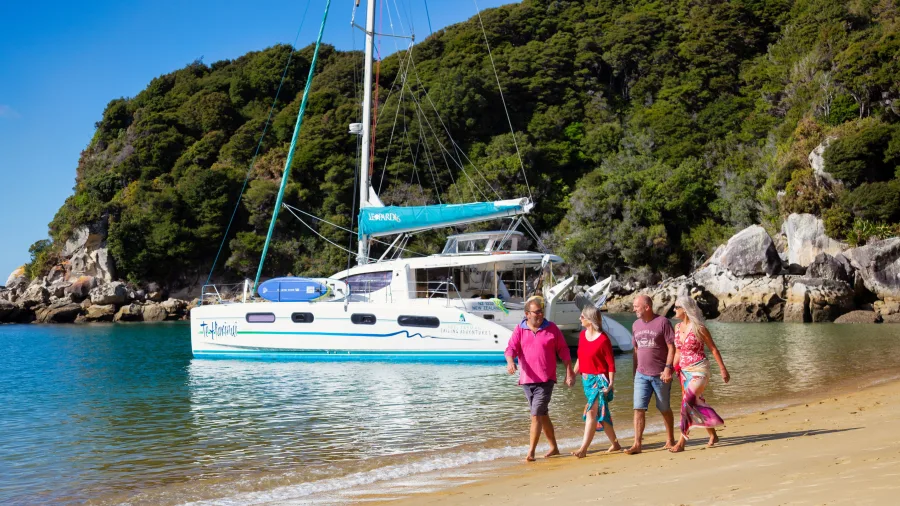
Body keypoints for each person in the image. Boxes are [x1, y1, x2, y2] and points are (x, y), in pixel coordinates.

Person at [505, 296, 575, 462]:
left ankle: (531, 452)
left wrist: (569, 371)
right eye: (537, 312)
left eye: (541, 311)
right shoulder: (520, 329)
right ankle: (554, 447)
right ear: (527, 314)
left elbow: (563, 350)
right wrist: (510, 362)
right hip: (527, 380)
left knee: (536, 414)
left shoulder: (551, 328)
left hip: (546, 379)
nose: (540, 314)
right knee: (542, 414)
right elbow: (510, 348)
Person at [669, 293, 730, 453]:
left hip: (700, 370)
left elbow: (713, 349)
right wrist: (669, 369)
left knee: (687, 402)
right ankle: (713, 434)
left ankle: (681, 441)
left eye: (676, 307)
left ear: (685, 309)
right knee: (696, 402)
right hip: (683, 372)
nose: (674, 309)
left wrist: (723, 369)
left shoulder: (699, 328)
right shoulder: (677, 328)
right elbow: (677, 352)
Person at [625, 294, 676, 455]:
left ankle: (670, 439)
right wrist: (634, 372)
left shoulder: (663, 322)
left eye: (636, 306)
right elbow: (636, 350)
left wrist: (668, 368)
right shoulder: (635, 325)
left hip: (660, 374)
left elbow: (672, 348)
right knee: (638, 408)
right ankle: (637, 444)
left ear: (647, 307)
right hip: (641, 374)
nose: (633, 309)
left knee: (664, 408)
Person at [572, 305, 621, 458]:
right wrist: (572, 375)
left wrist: (611, 384)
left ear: (590, 320)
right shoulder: (581, 336)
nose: (579, 319)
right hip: (586, 380)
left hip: (600, 381)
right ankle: (615, 444)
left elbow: (611, 364)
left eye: (582, 317)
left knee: (591, 412)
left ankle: (583, 449)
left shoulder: (603, 340)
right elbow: (580, 358)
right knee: (601, 414)